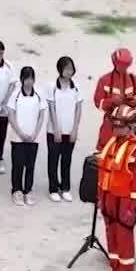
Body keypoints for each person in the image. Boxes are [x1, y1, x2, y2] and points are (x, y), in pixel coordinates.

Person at [94, 105, 136, 271]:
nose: (116, 129)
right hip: (109, 198)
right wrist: (100, 198)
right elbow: (103, 173)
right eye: (115, 125)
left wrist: (132, 209)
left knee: (125, 241)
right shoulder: (113, 143)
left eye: (121, 126)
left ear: (131, 126)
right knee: (112, 237)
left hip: (124, 202)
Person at [44, 55, 85, 202]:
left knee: (66, 160)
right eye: (66, 69)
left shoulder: (77, 87)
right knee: (53, 159)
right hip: (54, 130)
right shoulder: (51, 87)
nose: (69, 72)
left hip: (70, 130)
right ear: (60, 69)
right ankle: (53, 188)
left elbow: (78, 109)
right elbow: (52, 108)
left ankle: (65, 188)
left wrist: (75, 129)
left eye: (71, 69)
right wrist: (56, 129)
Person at [4, 65, 45, 206]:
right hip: (17, 138)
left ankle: (28, 190)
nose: (29, 82)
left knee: (30, 165)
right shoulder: (15, 95)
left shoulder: (39, 94)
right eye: (26, 79)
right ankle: (16, 190)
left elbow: (41, 116)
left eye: (31, 79)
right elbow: (11, 115)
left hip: (33, 137)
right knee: (18, 165)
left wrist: (34, 133)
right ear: (22, 79)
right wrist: (20, 133)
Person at [92, 47, 136, 149]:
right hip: (110, 125)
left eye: (125, 65)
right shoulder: (104, 80)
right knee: (104, 154)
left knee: (129, 156)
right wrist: (114, 101)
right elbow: (98, 103)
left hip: (129, 126)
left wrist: (133, 101)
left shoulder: (133, 79)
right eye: (121, 65)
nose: (123, 67)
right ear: (114, 62)